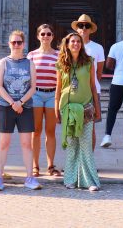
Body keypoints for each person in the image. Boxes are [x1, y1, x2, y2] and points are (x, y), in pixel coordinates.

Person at [0, 31, 40, 191]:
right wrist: (13, 102)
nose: (16, 45)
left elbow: (33, 87)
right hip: (6, 107)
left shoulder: (29, 63)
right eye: (13, 42)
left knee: (27, 143)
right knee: (4, 143)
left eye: (19, 42)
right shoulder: (3, 63)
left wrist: (20, 102)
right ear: (9, 44)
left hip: (25, 107)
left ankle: (29, 177)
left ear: (23, 44)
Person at [55, 32, 101, 191]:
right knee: (72, 145)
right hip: (67, 109)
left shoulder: (89, 62)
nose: (75, 44)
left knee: (86, 145)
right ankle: (70, 179)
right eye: (72, 41)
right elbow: (59, 88)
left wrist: (98, 109)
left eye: (78, 41)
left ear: (81, 44)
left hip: (86, 107)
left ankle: (90, 181)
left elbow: (93, 87)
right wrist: (56, 109)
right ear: (67, 44)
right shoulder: (61, 64)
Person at [28, 24, 62, 177]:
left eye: (49, 34)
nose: (46, 37)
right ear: (38, 36)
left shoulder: (59, 55)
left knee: (51, 132)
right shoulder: (32, 55)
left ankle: (50, 165)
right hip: (35, 94)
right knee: (35, 131)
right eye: (43, 34)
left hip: (52, 95)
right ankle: (35, 166)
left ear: (53, 36)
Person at [72, 14, 104, 151]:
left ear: (91, 29)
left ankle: (88, 161)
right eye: (81, 25)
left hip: (91, 91)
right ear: (77, 29)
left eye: (87, 26)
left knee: (90, 127)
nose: (84, 28)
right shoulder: (70, 46)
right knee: (73, 127)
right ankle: (74, 162)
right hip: (73, 91)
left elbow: (99, 73)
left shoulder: (97, 48)